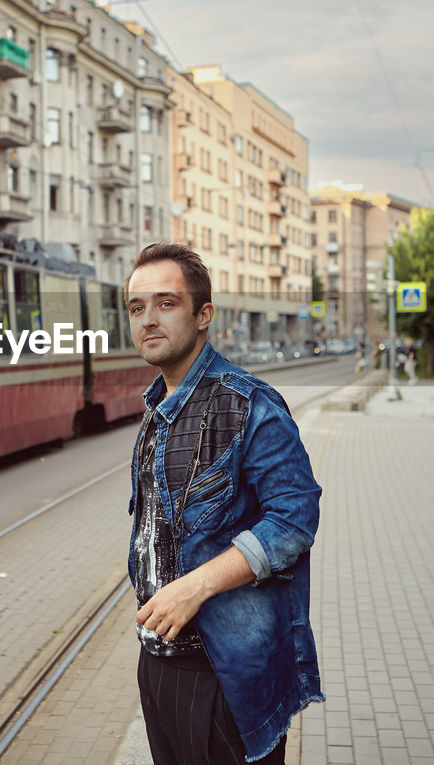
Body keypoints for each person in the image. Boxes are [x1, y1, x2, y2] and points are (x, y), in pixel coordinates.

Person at [124, 242, 323, 764]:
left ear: (203, 314)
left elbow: (295, 518)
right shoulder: (158, 407)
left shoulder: (249, 405)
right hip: (160, 662)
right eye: (137, 307)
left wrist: (195, 587)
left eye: (166, 303)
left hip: (223, 672)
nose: (148, 319)